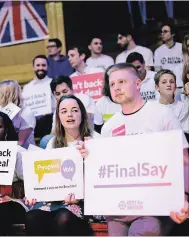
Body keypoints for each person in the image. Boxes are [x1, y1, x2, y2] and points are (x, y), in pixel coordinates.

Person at [77, 63, 189, 236]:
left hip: (154, 205)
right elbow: (107, 169)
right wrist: (91, 156)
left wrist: (185, 196)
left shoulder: (161, 113)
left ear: (138, 84)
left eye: (122, 81)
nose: (116, 87)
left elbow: (183, 159)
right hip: (118, 210)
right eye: (112, 84)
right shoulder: (109, 127)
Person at [25, 95, 93, 236]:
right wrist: (35, 193)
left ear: (82, 114)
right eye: (64, 111)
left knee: (64, 218)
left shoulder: (94, 140)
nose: (69, 114)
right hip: (55, 199)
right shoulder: (52, 143)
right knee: (32, 218)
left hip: (86, 200)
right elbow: (47, 177)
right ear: (58, 117)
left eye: (74, 110)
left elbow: (102, 178)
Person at [0, 80, 36, 149]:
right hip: (2, 150)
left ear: (7, 95)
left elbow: (20, 143)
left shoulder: (26, 112)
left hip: (23, 151)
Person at [23, 55, 56, 139]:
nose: (41, 68)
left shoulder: (53, 83)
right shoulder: (27, 87)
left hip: (49, 122)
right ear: (33, 68)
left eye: (43, 65)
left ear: (47, 67)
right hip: (32, 123)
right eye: (38, 65)